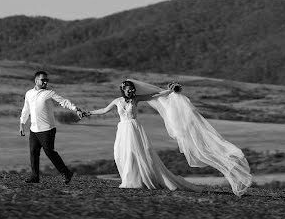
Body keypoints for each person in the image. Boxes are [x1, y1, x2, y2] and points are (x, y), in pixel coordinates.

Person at [83, 79, 251, 196]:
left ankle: (139, 179)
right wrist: (88, 113)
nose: (131, 90)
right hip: (123, 129)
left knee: (141, 153)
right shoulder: (117, 101)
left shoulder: (136, 100)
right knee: (124, 154)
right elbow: (104, 110)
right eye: (129, 89)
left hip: (134, 129)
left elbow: (155, 96)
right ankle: (130, 178)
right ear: (123, 89)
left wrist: (169, 91)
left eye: (132, 89)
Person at [19, 70, 85, 184]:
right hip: (34, 129)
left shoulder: (49, 93)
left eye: (46, 80)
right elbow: (26, 109)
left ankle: (66, 173)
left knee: (49, 152)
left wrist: (76, 109)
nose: (45, 82)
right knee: (33, 153)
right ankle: (35, 177)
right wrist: (21, 124)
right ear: (36, 80)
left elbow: (64, 102)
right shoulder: (29, 93)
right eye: (42, 80)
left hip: (47, 129)